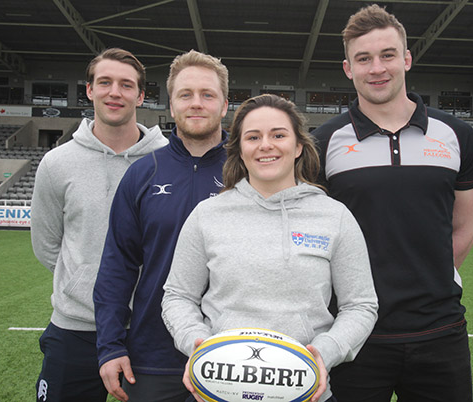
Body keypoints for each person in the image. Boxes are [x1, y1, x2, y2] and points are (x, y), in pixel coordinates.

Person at [312, 5, 473, 402]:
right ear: (348, 69)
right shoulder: (323, 142)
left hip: (440, 332)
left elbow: (463, 228)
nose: (377, 68)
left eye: (387, 55)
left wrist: (428, 282)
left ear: (406, 59)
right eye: (364, 59)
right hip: (353, 334)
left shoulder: (457, 135)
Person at [161, 94, 379, 402]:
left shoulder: (335, 216)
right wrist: (197, 344)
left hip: (304, 391)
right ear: (239, 150)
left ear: (298, 146)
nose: (266, 145)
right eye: (253, 137)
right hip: (219, 389)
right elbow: (178, 296)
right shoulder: (207, 215)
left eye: (278, 135)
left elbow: (361, 305)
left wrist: (324, 352)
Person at [31, 48, 169, 402]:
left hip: (150, 328)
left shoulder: (169, 160)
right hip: (77, 327)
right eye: (105, 82)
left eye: (126, 85)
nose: (114, 92)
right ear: (90, 90)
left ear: (141, 95)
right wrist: (87, 281)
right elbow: (47, 244)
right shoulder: (57, 163)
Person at [93, 50, 230, 402]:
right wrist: (110, 345)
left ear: (225, 105)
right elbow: (117, 265)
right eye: (185, 94)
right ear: (171, 105)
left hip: (231, 355)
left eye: (207, 94)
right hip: (153, 357)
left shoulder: (249, 171)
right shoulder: (142, 174)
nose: (196, 103)